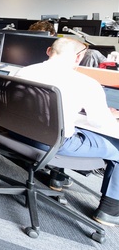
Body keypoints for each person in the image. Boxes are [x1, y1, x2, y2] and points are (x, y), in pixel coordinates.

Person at [15, 37, 119, 226]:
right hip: (53, 144)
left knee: (66, 126)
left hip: (20, 135)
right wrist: (111, 114)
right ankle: (109, 211)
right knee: (116, 146)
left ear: (48, 51)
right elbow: (99, 122)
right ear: (79, 58)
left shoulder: (23, 71)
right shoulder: (86, 83)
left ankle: (57, 178)